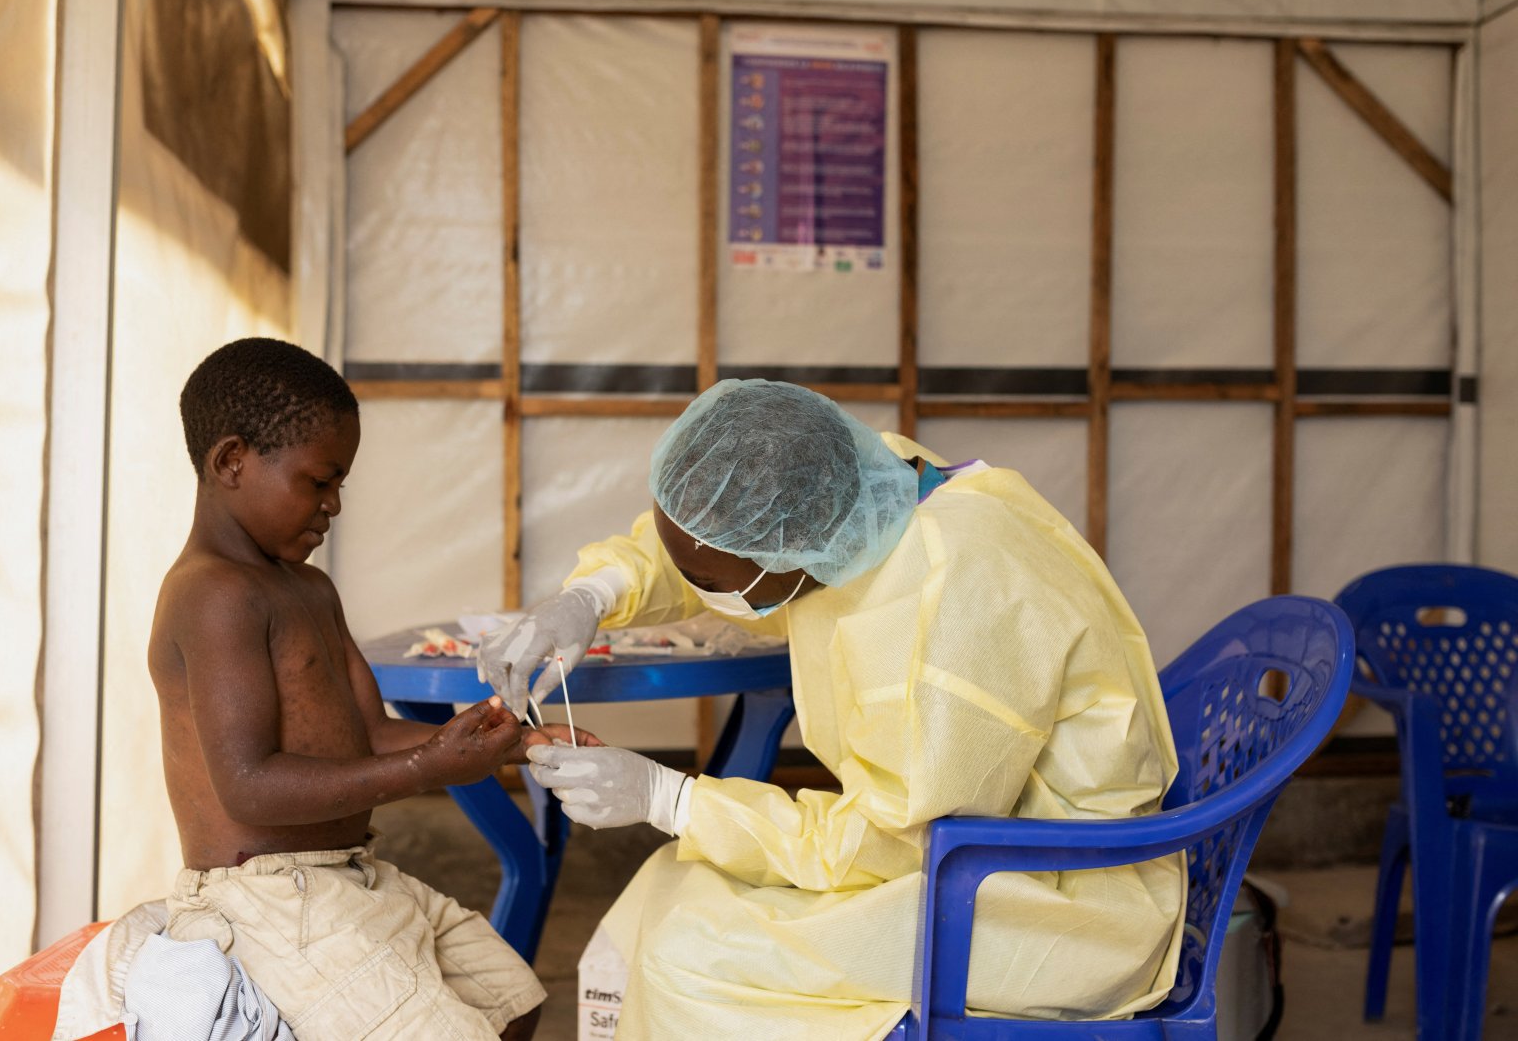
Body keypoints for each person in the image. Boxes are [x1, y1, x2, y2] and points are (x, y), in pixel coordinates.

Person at [481, 378, 1185, 1039]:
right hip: (958, 846)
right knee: (670, 883)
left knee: (689, 961)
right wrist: (596, 593)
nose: (696, 587)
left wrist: (670, 798)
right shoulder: (864, 493)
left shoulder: (948, 609)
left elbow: (894, 838)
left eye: (707, 582)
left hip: (1050, 898)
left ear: (789, 553)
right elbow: (702, 543)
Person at [150, 337, 577, 1040]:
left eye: (340, 483)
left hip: (342, 876)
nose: (335, 505)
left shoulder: (309, 587)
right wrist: (427, 766)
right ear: (232, 461)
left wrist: (518, 741)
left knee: (514, 1000)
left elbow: (369, 732)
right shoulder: (213, 595)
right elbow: (248, 787)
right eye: (319, 482)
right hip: (264, 898)